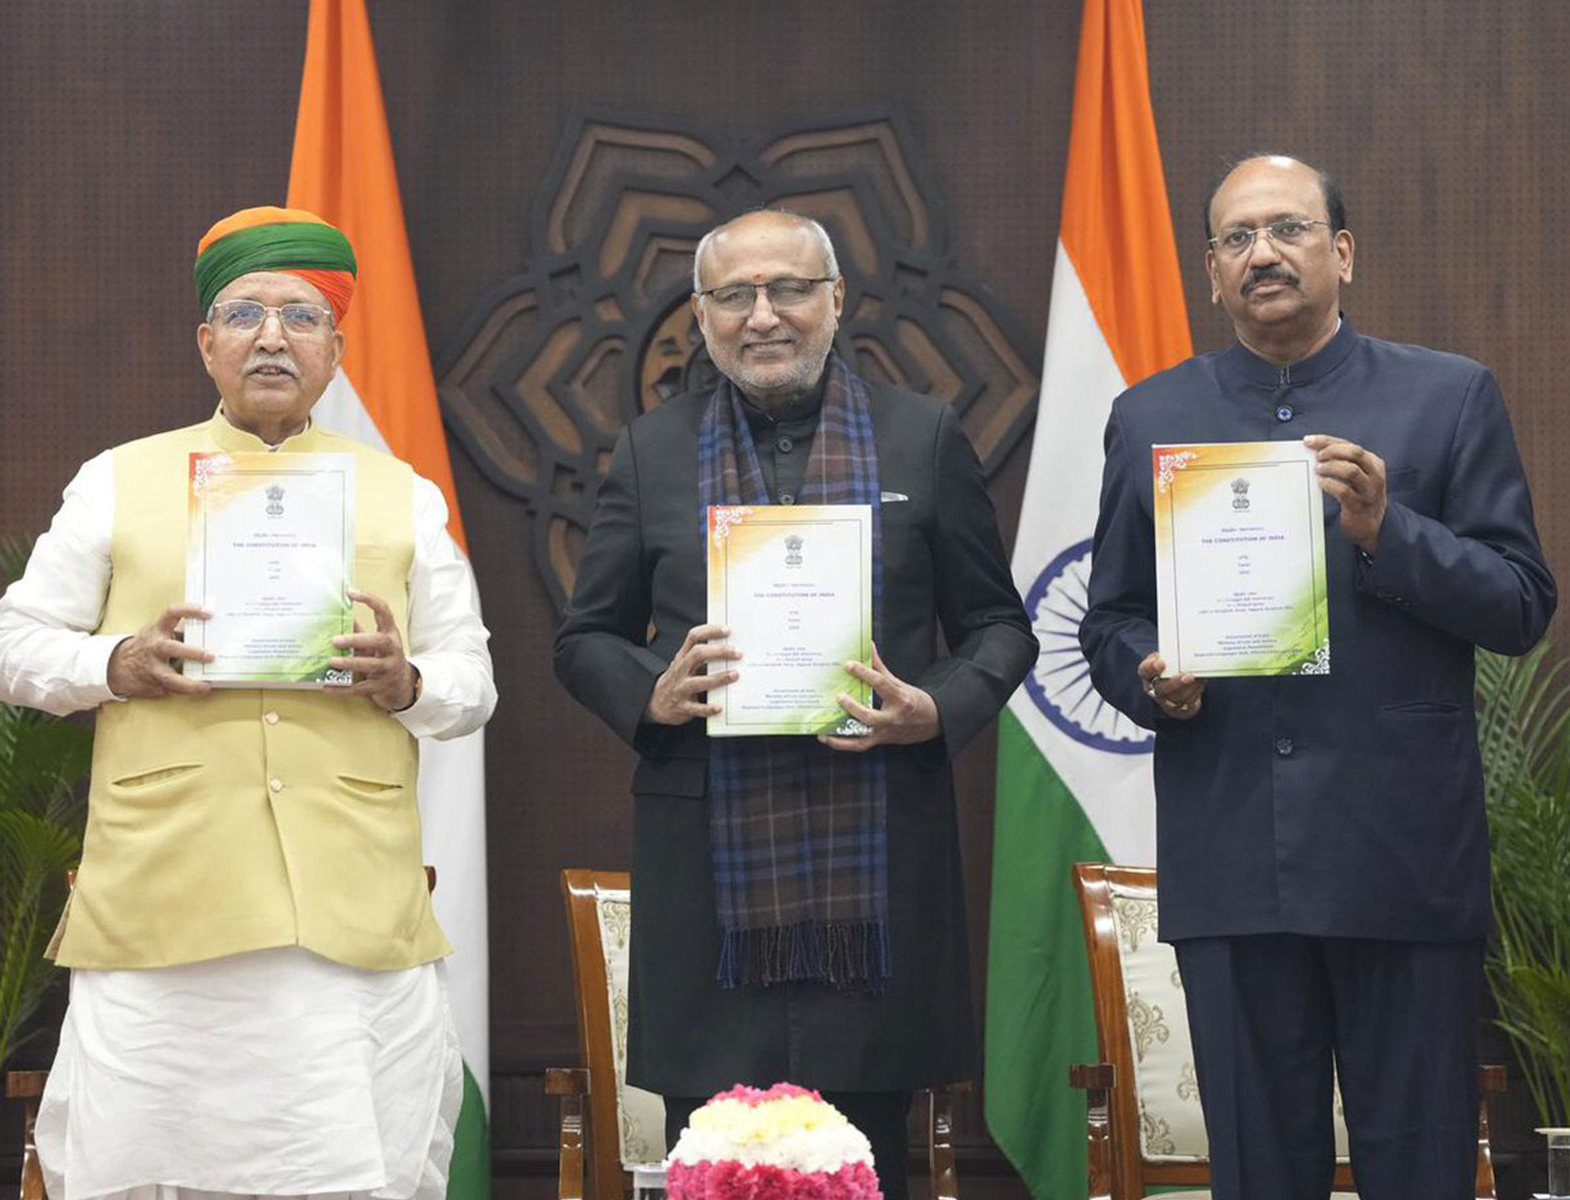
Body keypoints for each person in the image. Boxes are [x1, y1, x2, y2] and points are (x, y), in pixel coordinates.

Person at [0, 206, 497, 1200]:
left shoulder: (402, 493)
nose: (273, 336)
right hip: (164, 898)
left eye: (302, 317)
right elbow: (14, 654)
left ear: (336, 350)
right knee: (144, 1165)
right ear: (206, 343)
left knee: (348, 1169)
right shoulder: (117, 481)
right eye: (247, 313)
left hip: (347, 911)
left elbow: (468, 680)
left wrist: (407, 682)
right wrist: (117, 662)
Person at [1079, 154, 1557, 1200]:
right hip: (1232, 857)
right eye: (1236, 238)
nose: (1262, 254)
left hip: (1401, 859)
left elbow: (1521, 605)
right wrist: (1149, 681)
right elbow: (1107, 618)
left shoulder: (1446, 397)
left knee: (1420, 1169)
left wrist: (1391, 531)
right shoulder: (1150, 415)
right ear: (1210, 273)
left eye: (1287, 230)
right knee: (1258, 1175)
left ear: (1341, 252)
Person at [553, 210, 1038, 1198]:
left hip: (878, 880)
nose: (762, 315)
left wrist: (933, 708)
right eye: (734, 296)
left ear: (835, 301)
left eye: (788, 290)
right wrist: (653, 691)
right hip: (712, 894)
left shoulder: (923, 439)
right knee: (721, 1166)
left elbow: (999, 627)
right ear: (700, 315)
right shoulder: (649, 451)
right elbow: (582, 637)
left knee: (865, 1163)